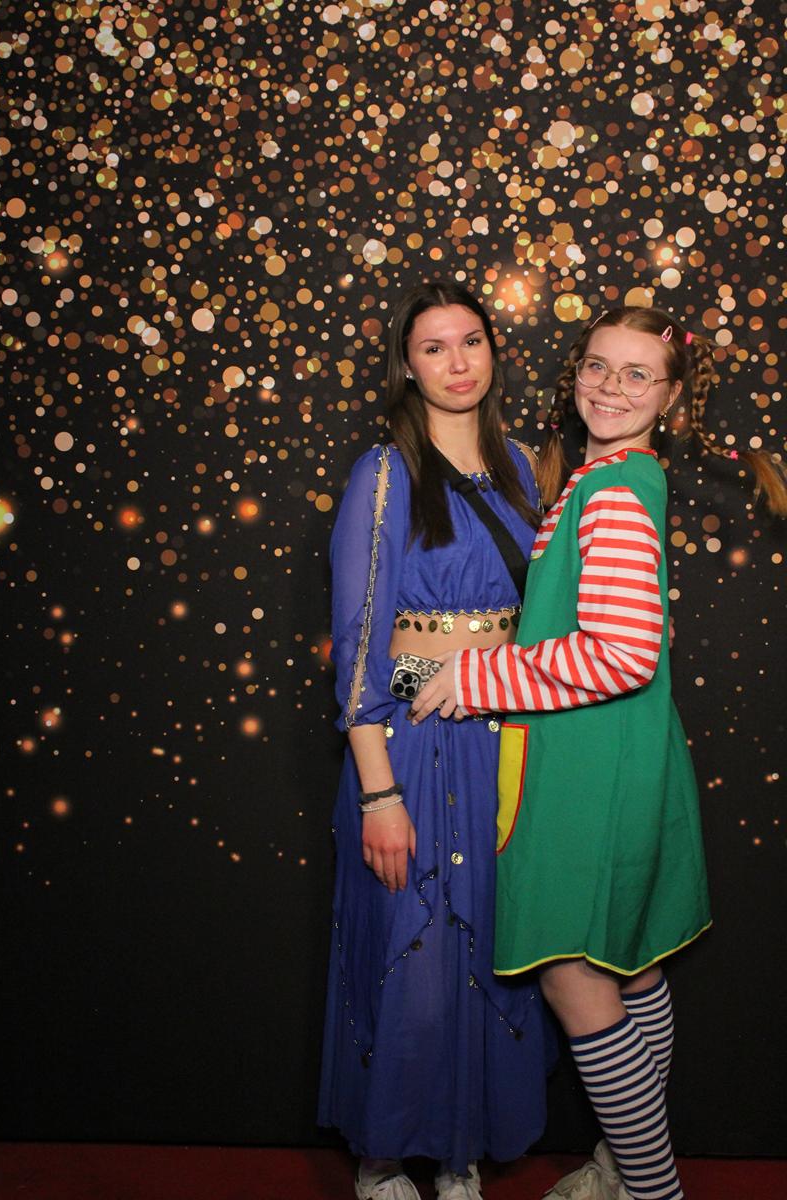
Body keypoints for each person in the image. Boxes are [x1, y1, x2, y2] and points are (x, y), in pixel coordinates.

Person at [411, 306, 787, 1200]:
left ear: (672, 397)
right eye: (598, 367)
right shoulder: (616, 476)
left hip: (587, 772)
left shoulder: (613, 492)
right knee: (633, 963)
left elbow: (621, 654)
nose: (612, 388)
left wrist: (478, 676)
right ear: (575, 373)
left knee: (574, 976)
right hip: (625, 758)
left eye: (637, 374)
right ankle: (623, 1174)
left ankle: (651, 1191)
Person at [318, 281, 555, 1200]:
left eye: (471, 341)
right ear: (407, 367)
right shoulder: (384, 473)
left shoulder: (526, 465)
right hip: (411, 742)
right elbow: (360, 640)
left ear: (494, 350)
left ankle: (460, 1152)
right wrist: (378, 791)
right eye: (433, 347)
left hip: (509, 739)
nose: (458, 363)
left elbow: (549, 619)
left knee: (493, 947)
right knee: (409, 942)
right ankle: (383, 1156)